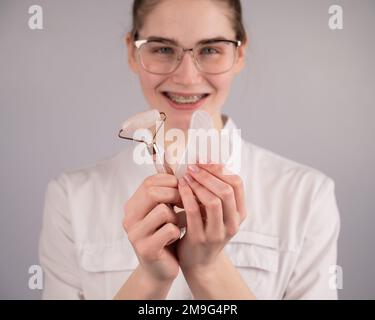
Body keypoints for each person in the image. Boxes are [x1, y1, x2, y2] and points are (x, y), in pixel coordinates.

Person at [39, 0, 340, 300]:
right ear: (133, 51)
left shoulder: (308, 196)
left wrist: (206, 268)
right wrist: (149, 279)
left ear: (239, 54)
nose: (186, 77)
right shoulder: (71, 197)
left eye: (210, 49)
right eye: (162, 48)